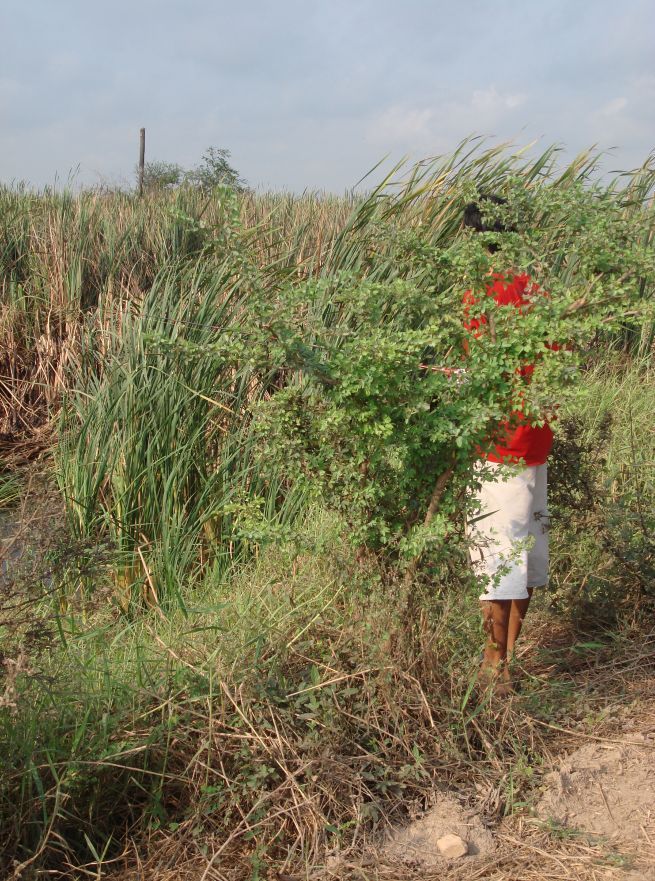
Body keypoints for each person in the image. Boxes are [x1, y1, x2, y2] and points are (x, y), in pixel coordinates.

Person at [462, 198, 555, 695]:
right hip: (536, 442)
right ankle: (506, 663)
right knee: (524, 559)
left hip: (499, 445)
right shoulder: (537, 293)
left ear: (478, 240)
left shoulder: (484, 293)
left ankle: (492, 668)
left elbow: (483, 374)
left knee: (497, 562)